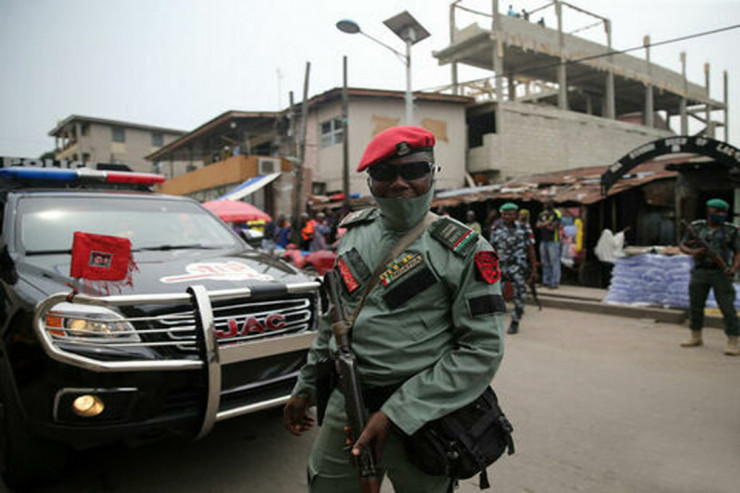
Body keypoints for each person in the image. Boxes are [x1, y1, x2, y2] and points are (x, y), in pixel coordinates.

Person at [284, 126, 505, 491]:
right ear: (371, 182)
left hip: (424, 417)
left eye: (414, 170)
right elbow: (334, 319)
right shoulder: (355, 232)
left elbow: (481, 351)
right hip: (346, 403)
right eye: (386, 173)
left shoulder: (466, 250)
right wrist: (305, 385)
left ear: (431, 174)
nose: (400, 183)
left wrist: (398, 413)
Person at [678, 198, 740, 356]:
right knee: (696, 305)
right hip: (700, 271)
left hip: (720, 272)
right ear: (709, 212)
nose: (719, 215)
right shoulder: (697, 227)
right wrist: (694, 252)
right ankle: (695, 336)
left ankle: (733, 341)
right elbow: (683, 245)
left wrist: (733, 268)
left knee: (727, 307)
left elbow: (738, 252)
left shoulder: (731, 230)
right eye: (715, 212)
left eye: (722, 212)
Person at [490, 203, 537, 334]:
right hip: (500, 267)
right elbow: (491, 249)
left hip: (517, 267)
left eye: (510, 214)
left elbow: (531, 249)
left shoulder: (524, 229)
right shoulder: (496, 229)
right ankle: (494, 323)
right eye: (505, 214)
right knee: (495, 295)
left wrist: (534, 270)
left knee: (520, 296)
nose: (507, 216)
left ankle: (515, 321)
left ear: (515, 215)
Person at [536, 199, 562, 288]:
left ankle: (554, 282)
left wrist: (544, 224)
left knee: (554, 262)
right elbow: (537, 225)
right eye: (545, 203)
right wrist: (547, 223)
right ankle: (545, 281)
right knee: (545, 262)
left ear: (552, 204)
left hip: (553, 240)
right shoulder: (542, 214)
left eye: (547, 203)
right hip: (543, 240)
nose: (546, 205)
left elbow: (553, 227)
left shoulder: (556, 213)